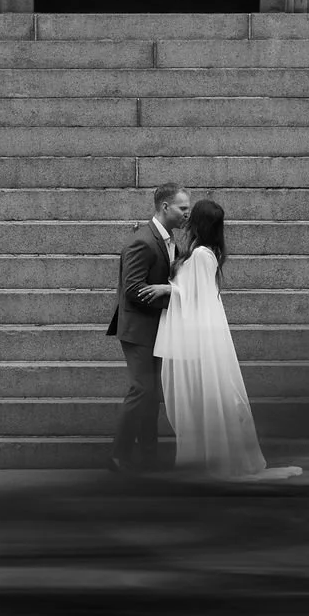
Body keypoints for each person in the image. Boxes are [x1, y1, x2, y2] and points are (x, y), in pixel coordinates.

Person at [146, 198, 302, 481]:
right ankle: (205, 459)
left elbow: (198, 298)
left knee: (205, 399)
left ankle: (213, 461)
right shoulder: (199, 252)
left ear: (200, 223)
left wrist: (166, 290)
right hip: (195, 337)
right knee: (197, 400)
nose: (187, 218)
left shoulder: (203, 255)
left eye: (191, 215)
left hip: (200, 340)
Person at [105, 183, 190, 473]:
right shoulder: (143, 241)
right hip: (139, 331)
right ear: (165, 207)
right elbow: (132, 289)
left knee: (152, 394)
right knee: (142, 390)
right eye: (183, 208)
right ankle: (120, 456)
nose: (187, 214)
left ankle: (148, 455)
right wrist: (168, 296)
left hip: (155, 329)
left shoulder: (168, 240)